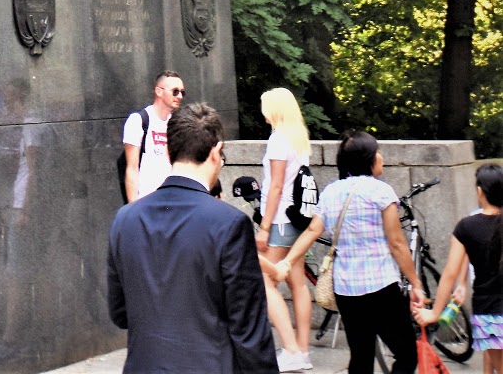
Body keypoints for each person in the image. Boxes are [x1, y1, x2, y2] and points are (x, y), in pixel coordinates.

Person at [108, 101, 278, 373]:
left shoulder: (125, 219)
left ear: (166, 151)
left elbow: (120, 312)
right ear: (216, 152)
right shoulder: (230, 224)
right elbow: (249, 331)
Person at [275, 130, 426, 374]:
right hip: (381, 286)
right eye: (378, 152)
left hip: (346, 289)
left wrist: (286, 262)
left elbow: (312, 231)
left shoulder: (331, 192)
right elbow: (397, 243)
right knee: (406, 353)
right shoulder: (381, 191)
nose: (382, 157)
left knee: (360, 357)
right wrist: (416, 283)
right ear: (369, 158)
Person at [415, 162, 503, 372]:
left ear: (480, 191)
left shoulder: (467, 226)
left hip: (489, 313)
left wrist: (434, 314)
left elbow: (449, 274)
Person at [256, 88, 313, 364]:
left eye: (265, 105)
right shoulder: (298, 139)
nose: (262, 111)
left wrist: (264, 226)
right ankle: (302, 350)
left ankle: (291, 350)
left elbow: (276, 186)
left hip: (279, 220)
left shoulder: (278, 140)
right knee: (298, 283)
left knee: (263, 280)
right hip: (298, 220)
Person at [121, 70, 185, 203]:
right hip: (147, 201)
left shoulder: (177, 123)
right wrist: (133, 208)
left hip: (173, 201)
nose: (179, 96)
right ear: (159, 91)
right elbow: (132, 168)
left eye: (182, 92)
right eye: (175, 91)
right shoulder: (138, 120)